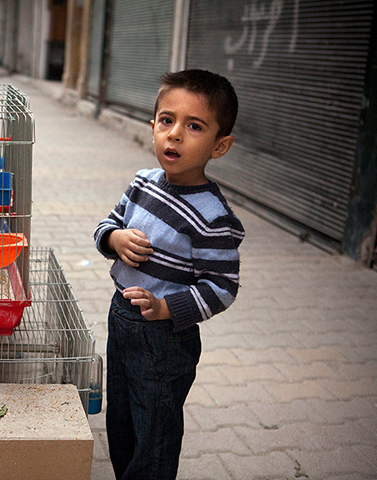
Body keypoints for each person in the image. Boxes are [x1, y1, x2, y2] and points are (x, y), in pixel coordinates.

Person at [93, 69, 244, 480]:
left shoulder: (213, 217)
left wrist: (165, 308)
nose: (174, 134)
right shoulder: (142, 183)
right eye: (167, 120)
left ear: (220, 145)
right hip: (120, 318)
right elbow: (104, 227)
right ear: (154, 125)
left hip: (164, 339)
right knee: (120, 415)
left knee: (155, 432)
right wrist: (115, 239)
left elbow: (222, 287)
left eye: (194, 126)